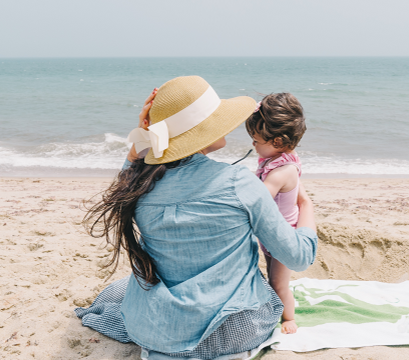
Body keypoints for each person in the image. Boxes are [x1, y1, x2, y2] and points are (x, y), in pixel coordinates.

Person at [75, 76, 318, 359]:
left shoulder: (138, 186)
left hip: (157, 328)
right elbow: (299, 257)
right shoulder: (238, 183)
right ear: (200, 132)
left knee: (120, 291)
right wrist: (306, 206)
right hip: (234, 330)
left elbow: (126, 177)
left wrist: (140, 142)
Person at [245, 92, 306, 334]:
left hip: (282, 239)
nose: (253, 144)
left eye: (256, 140)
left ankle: (288, 318)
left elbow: (258, 198)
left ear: (278, 142)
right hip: (271, 236)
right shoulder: (280, 159)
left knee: (279, 284)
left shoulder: (281, 172)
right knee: (273, 276)